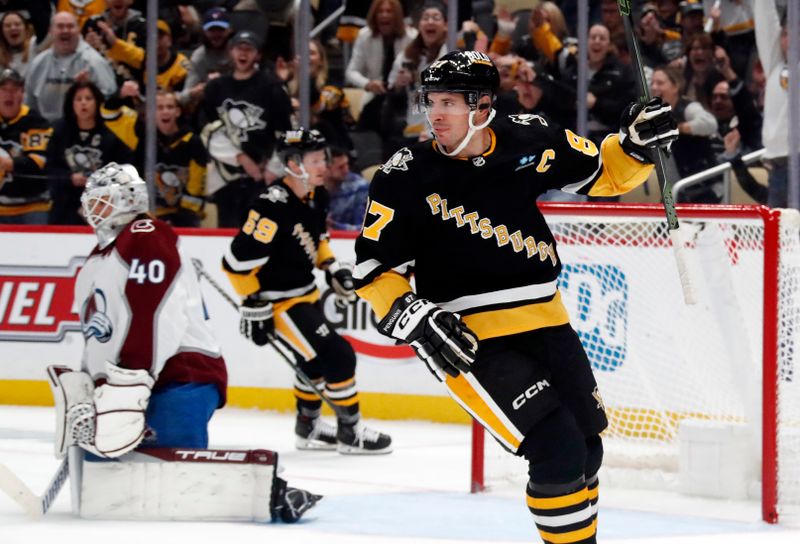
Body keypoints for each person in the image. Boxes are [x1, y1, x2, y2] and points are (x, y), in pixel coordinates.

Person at [352, 50, 678, 544]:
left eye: (450, 103)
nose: (435, 115)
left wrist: (633, 147)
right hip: (469, 338)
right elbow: (373, 269)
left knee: (587, 448)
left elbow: (602, 174)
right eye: (431, 101)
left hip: (547, 321)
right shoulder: (403, 175)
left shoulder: (530, 136)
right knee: (557, 448)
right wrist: (411, 312)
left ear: (482, 107)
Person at [50, 161, 319, 523]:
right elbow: (104, 333)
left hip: (178, 378)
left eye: (100, 199)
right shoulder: (103, 256)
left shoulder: (144, 233)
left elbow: (153, 307)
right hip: (133, 381)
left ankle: (271, 494)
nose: (91, 208)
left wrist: (129, 381)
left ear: (125, 199)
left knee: (174, 482)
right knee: (107, 479)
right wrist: (98, 382)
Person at [222, 128, 392, 455]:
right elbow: (235, 263)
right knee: (338, 355)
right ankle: (350, 431)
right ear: (293, 164)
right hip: (278, 303)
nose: (323, 166)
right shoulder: (271, 205)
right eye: (315, 160)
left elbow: (318, 239)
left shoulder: (316, 195)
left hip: (304, 294)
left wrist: (332, 267)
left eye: (322, 158)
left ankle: (308, 428)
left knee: (312, 360)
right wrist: (252, 302)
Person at [200, 30, 292, 228]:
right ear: (231, 52)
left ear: (258, 55)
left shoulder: (271, 87)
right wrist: (240, 157)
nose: (243, 53)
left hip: (264, 177)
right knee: (228, 234)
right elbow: (207, 129)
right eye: (239, 48)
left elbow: (286, 132)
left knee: (261, 233)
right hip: (226, 178)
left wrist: (272, 169)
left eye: (249, 49)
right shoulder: (215, 88)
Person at [47, 81, 133, 225]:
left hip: (103, 209)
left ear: (97, 102)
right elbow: (50, 168)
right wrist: (69, 178)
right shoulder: (60, 131)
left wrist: (98, 181)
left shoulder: (111, 135)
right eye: (79, 99)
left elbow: (124, 170)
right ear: (71, 103)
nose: (83, 103)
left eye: (88, 98)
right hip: (64, 208)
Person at [24, 11, 118, 123]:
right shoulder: (38, 63)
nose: (65, 30)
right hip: (45, 131)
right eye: (60, 26)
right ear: (50, 30)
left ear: (78, 30)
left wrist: (90, 89)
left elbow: (110, 100)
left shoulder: (94, 62)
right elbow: (29, 105)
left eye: (70, 26)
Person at [345, 0, 417, 133]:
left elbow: (420, 70)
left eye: (389, 11)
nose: (384, 15)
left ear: (397, 15)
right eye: (380, 11)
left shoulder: (412, 37)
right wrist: (368, 83)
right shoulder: (364, 35)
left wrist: (409, 77)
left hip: (404, 95)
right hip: (376, 95)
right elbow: (351, 72)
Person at [753, 0, 793, 208]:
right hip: (778, 165)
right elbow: (765, 20)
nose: (789, 39)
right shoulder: (775, 66)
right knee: (778, 234)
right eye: (785, 34)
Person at [0, 67, 52, 223]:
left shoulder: (36, 122)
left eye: (14, 90)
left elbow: (37, 163)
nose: (9, 94)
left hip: (34, 207)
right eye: (3, 89)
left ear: (22, 93)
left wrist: (7, 163)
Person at [325, 147, 370, 231]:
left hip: (349, 240)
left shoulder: (359, 187)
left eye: (347, 164)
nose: (347, 170)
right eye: (341, 167)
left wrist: (334, 226)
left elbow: (365, 228)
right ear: (326, 168)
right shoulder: (312, 187)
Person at [0, 11, 39, 78]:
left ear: (26, 29)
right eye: (7, 25)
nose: (13, 28)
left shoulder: (35, 46)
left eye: (17, 24)